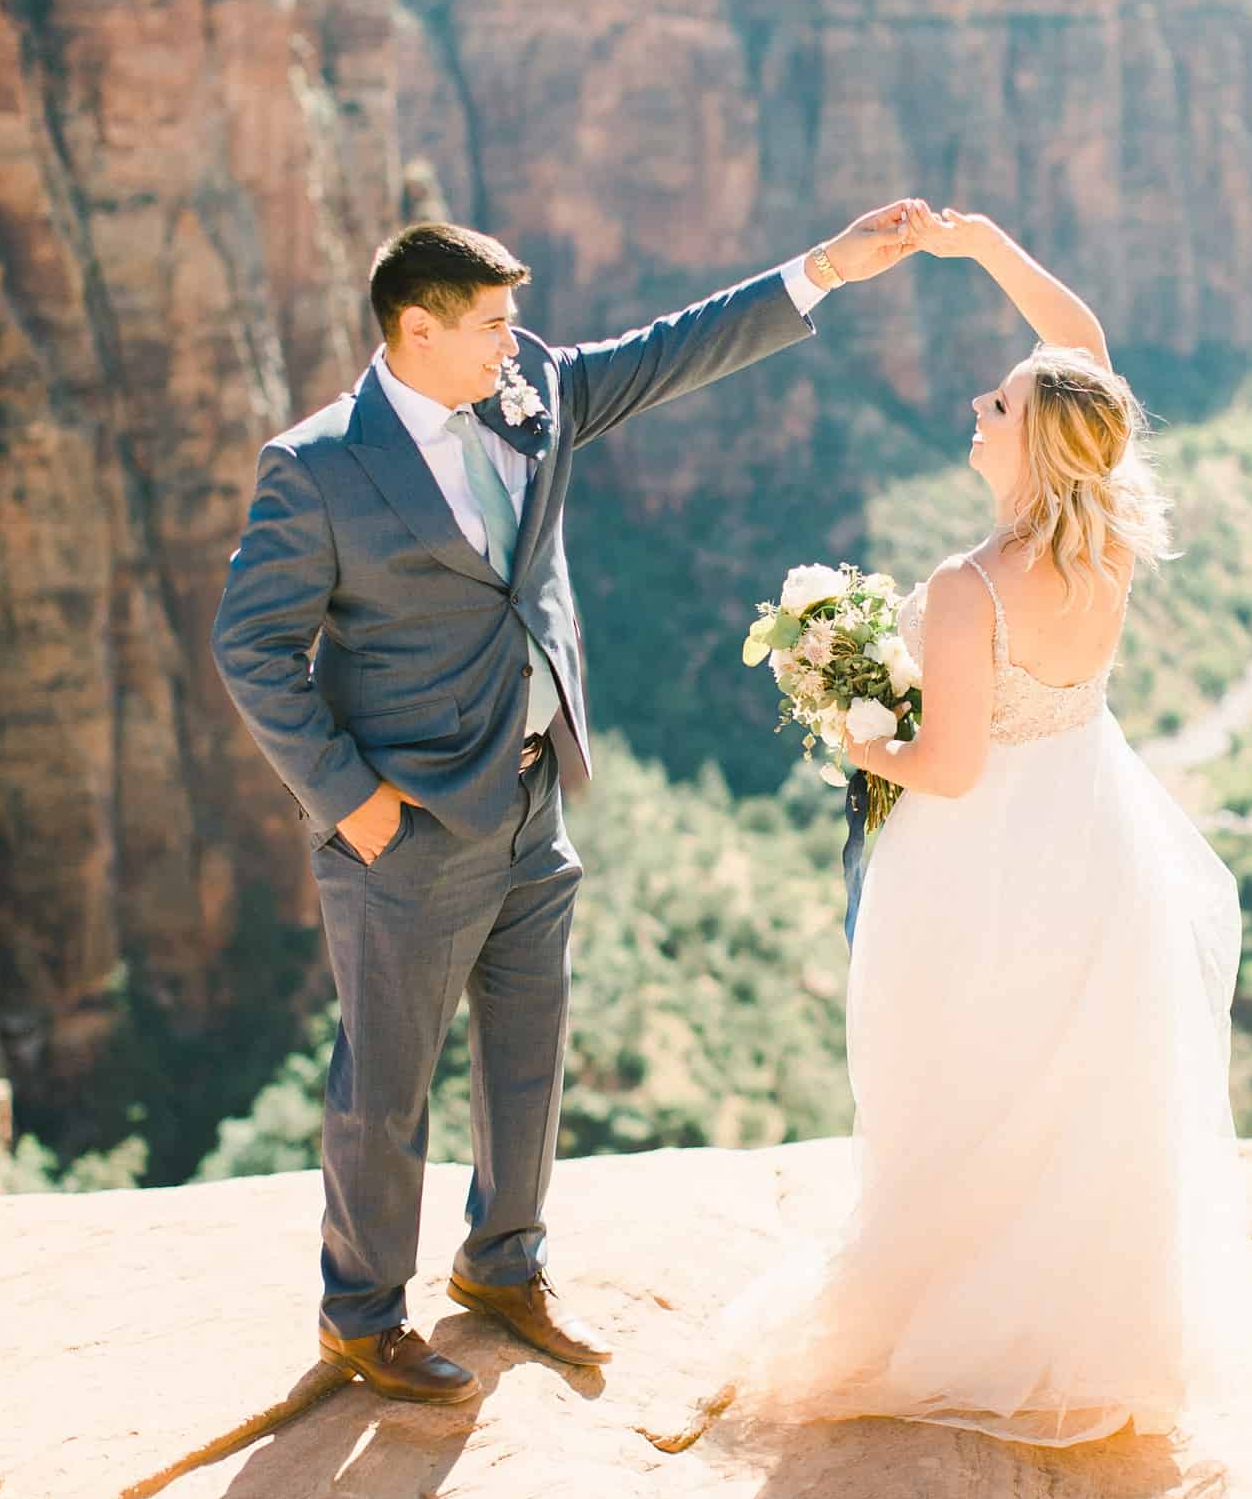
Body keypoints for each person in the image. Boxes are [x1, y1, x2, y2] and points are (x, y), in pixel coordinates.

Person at [211, 208, 920, 1405]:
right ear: (417, 328)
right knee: (385, 1081)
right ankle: (361, 1313)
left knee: (527, 1054)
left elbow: (667, 350)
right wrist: (353, 802)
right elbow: (252, 650)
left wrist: (827, 268)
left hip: (532, 796)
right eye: (489, 322)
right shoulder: (317, 466)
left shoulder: (530, 387)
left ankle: (503, 1266)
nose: (515, 339)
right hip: (408, 824)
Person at [651, 204, 1252, 1453]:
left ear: (1032, 439)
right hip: (1092, 841)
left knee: (961, 1080)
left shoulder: (968, 585)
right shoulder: (1108, 528)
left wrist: (849, 731)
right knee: (1073, 1084)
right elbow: (1079, 345)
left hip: (978, 865)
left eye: (996, 403)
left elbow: (951, 764)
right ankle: (1078, 1336)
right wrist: (983, 247)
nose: (977, 406)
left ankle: (948, 1319)